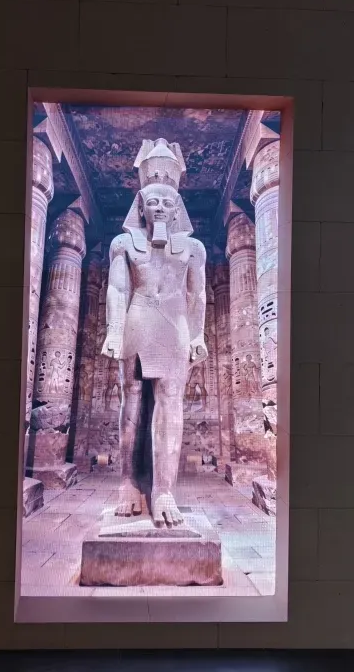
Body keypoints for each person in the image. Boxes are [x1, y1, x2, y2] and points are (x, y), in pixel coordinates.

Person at [102, 138, 208, 528]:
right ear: (141, 206)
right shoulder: (123, 243)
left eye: (167, 202)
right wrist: (114, 331)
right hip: (138, 319)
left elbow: (197, 294)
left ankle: (164, 491)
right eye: (153, 201)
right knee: (131, 402)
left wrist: (198, 335)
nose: (160, 207)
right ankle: (128, 484)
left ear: (177, 208)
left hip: (175, 323)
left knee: (171, 404)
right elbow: (117, 289)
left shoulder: (193, 248)